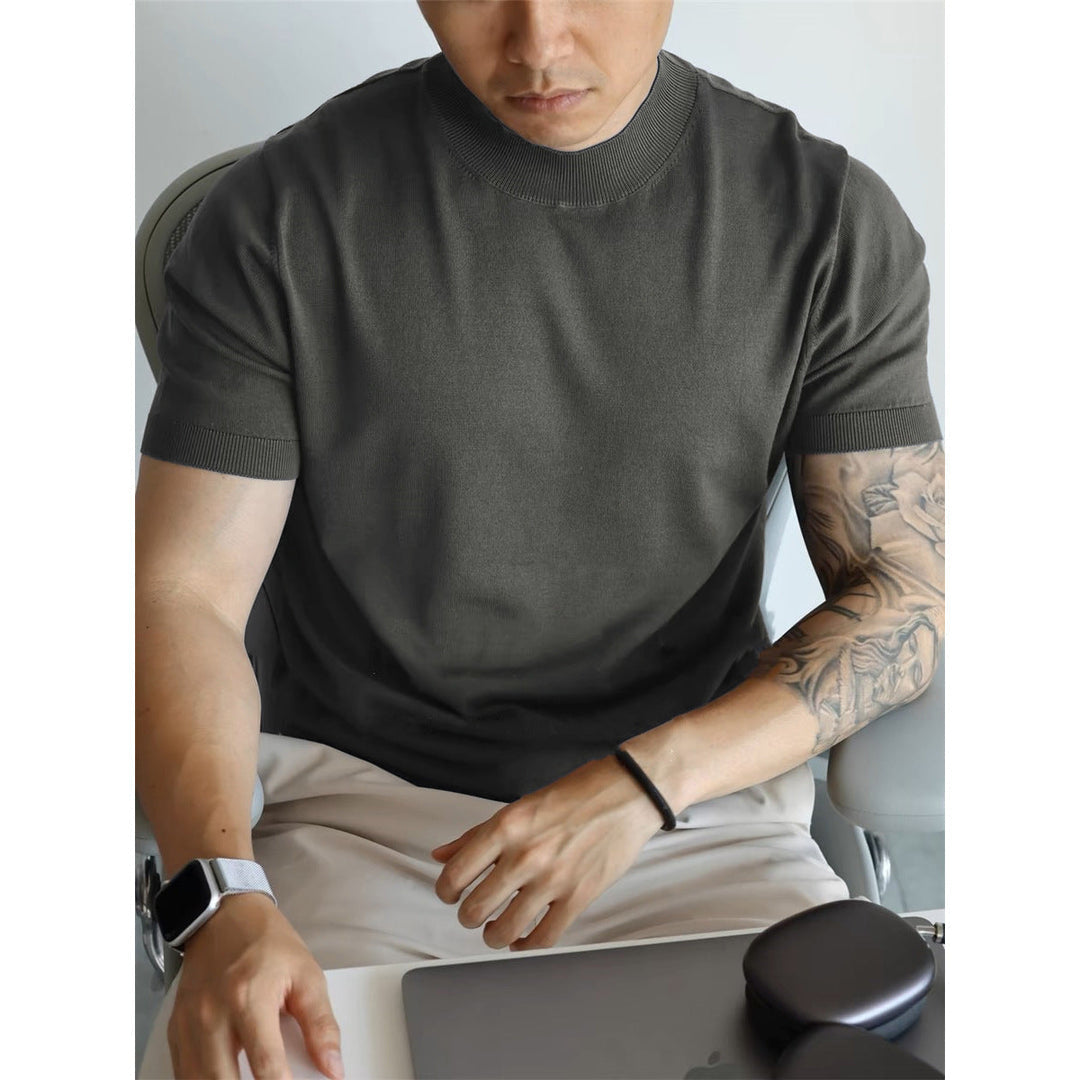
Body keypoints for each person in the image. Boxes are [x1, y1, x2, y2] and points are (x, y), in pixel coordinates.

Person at [135, 2, 945, 1077]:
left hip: (699, 816)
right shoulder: (277, 218)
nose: (538, 43)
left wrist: (647, 782)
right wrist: (219, 897)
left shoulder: (826, 222)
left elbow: (904, 589)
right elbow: (181, 596)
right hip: (358, 821)